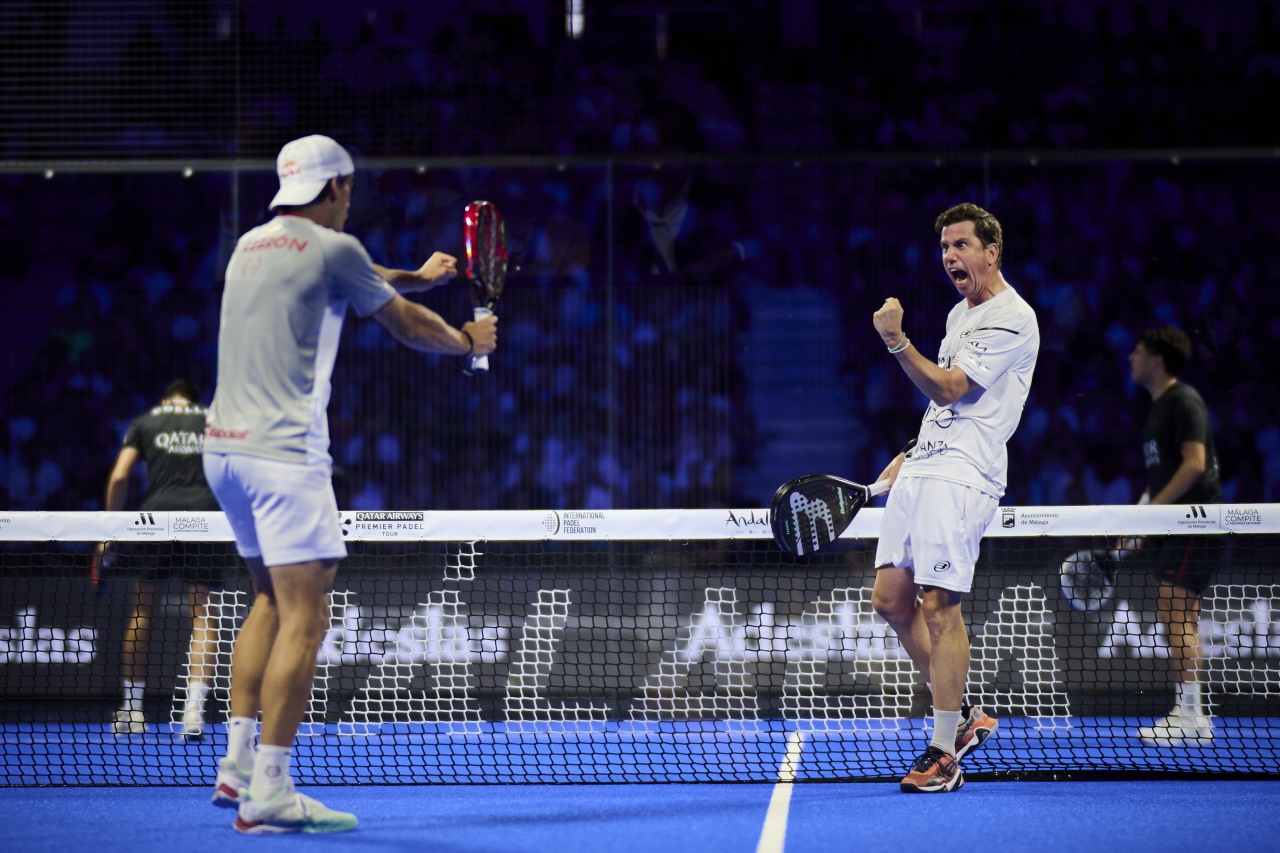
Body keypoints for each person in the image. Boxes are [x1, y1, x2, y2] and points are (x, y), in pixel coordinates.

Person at [202, 134, 497, 835]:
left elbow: (349, 273)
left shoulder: (252, 243)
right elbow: (399, 323)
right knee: (309, 611)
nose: (351, 200)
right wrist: (465, 341)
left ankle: (238, 763)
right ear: (335, 188)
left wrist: (418, 275)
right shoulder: (337, 249)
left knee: (268, 598)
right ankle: (270, 789)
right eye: (351, 189)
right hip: (284, 455)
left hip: (225, 454)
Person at [868, 202, 1040, 793]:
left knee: (939, 605)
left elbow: (952, 388)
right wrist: (912, 449)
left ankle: (944, 751)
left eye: (961, 245)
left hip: (965, 475)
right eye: (945, 247)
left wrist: (895, 342)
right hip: (928, 466)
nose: (949, 256)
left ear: (991, 251)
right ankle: (964, 718)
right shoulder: (956, 314)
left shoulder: (1012, 317)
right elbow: (940, 408)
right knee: (891, 599)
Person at [97, 379, 225, 738]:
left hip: (156, 520)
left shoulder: (146, 421)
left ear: (165, 399)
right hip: (207, 520)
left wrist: (109, 529)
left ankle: (134, 711)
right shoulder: (215, 419)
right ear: (195, 400)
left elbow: (121, 474)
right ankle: (193, 714)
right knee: (203, 614)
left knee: (143, 609)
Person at [1126, 326, 1223, 746]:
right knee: (1177, 614)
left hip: (1195, 524)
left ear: (1157, 359)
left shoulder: (1184, 400)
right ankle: (1191, 714)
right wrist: (1136, 524)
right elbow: (1160, 478)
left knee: (1176, 611)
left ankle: (1190, 716)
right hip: (1175, 524)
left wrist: (1152, 514)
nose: (1131, 357)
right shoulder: (1156, 410)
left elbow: (1195, 465)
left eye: (1138, 351)